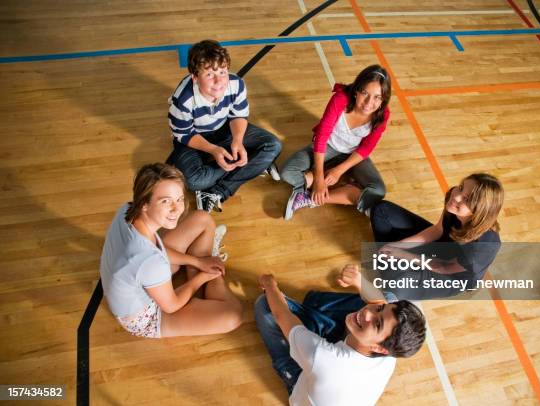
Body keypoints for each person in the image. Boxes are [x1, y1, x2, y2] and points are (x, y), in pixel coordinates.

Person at [99, 163, 243, 338]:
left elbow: (155, 254)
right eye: (165, 201)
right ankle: (203, 286)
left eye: (179, 199)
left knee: (203, 219)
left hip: (144, 273)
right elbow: (171, 305)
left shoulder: (126, 210)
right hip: (147, 317)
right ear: (144, 203)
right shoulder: (151, 262)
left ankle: (199, 274)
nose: (177, 209)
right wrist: (202, 277)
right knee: (233, 316)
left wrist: (198, 262)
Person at [254, 274, 426, 405]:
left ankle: (316, 308)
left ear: (381, 349)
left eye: (377, 324)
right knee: (389, 299)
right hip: (339, 352)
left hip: (303, 376)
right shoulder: (390, 351)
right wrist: (358, 280)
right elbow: (380, 302)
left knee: (265, 303)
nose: (368, 313)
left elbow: (281, 315)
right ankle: (316, 311)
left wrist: (269, 284)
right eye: (379, 309)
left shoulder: (323, 357)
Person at [341, 173, 505, 300]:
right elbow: (437, 231)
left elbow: (445, 267)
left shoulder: (481, 248)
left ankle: (389, 268)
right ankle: (387, 260)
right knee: (382, 211)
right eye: (461, 187)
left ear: (478, 211)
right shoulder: (453, 201)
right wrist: (398, 246)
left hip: (451, 275)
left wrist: (405, 255)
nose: (456, 195)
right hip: (443, 247)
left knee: (398, 282)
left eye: (466, 198)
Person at [166, 39, 282, 212]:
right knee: (193, 181)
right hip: (194, 138)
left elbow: (239, 115)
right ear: (195, 77)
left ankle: (217, 192)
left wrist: (237, 140)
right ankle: (251, 162)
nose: (219, 81)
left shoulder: (236, 84)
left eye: (222, 72)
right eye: (209, 74)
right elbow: (184, 135)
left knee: (274, 145)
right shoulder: (182, 99)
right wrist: (213, 150)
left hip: (224, 128)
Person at [280, 64, 391, 220]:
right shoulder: (340, 99)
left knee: (378, 191)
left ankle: (308, 198)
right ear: (356, 91)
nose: (368, 103)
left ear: (383, 99)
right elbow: (322, 136)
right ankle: (347, 190)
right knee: (287, 172)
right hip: (328, 146)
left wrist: (339, 170)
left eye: (377, 97)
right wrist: (319, 178)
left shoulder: (383, 114)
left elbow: (366, 148)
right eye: (365, 93)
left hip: (353, 155)